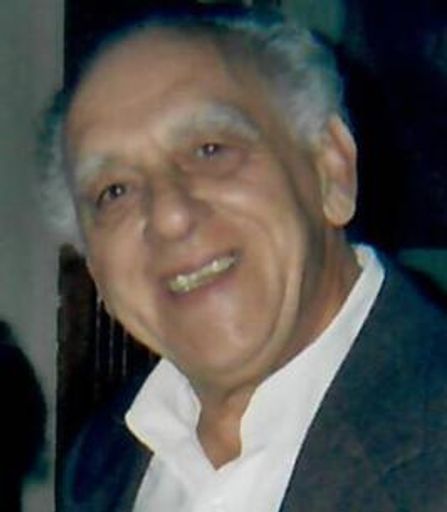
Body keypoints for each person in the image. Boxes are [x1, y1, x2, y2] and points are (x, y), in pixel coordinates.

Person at [44, 8, 447, 511]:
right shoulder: (101, 464)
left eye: (210, 149)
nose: (169, 216)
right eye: (114, 191)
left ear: (332, 172)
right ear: (95, 268)